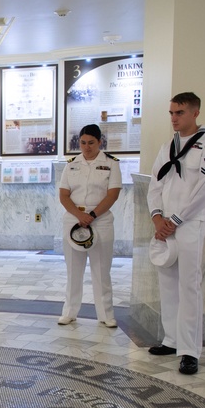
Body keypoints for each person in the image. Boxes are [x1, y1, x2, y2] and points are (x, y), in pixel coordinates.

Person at [146, 92, 205, 375]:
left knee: (189, 285)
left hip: (190, 223)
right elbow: (155, 183)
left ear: (195, 113)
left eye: (179, 113)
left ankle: (190, 351)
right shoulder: (168, 145)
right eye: (171, 113)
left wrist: (176, 219)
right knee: (167, 280)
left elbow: (204, 190)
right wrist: (157, 217)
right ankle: (172, 339)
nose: (174, 118)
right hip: (165, 224)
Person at [57, 123, 122, 327]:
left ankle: (106, 314)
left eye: (91, 143)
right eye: (83, 142)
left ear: (99, 142)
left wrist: (92, 215)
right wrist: (79, 215)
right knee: (73, 270)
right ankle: (69, 311)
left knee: (101, 270)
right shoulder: (72, 164)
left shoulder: (111, 164)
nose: (86, 147)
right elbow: (64, 195)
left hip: (100, 220)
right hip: (74, 220)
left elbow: (113, 194)